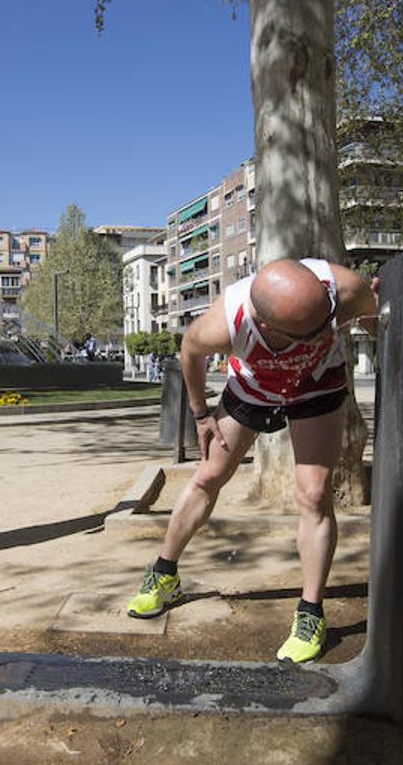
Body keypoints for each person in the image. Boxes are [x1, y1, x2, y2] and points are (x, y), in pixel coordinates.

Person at [124, 258, 378, 663]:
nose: (320, 336)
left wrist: (371, 320)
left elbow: (373, 310)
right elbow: (189, 349)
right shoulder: (228, 321)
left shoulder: (344, 288)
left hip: (317, 388)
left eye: (324, 323)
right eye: (308, 334)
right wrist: (201, 415)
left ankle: (311, 613)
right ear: (264, 324)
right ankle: (164, 574)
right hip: (252, 389)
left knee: (313, 496)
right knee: (209, 475)